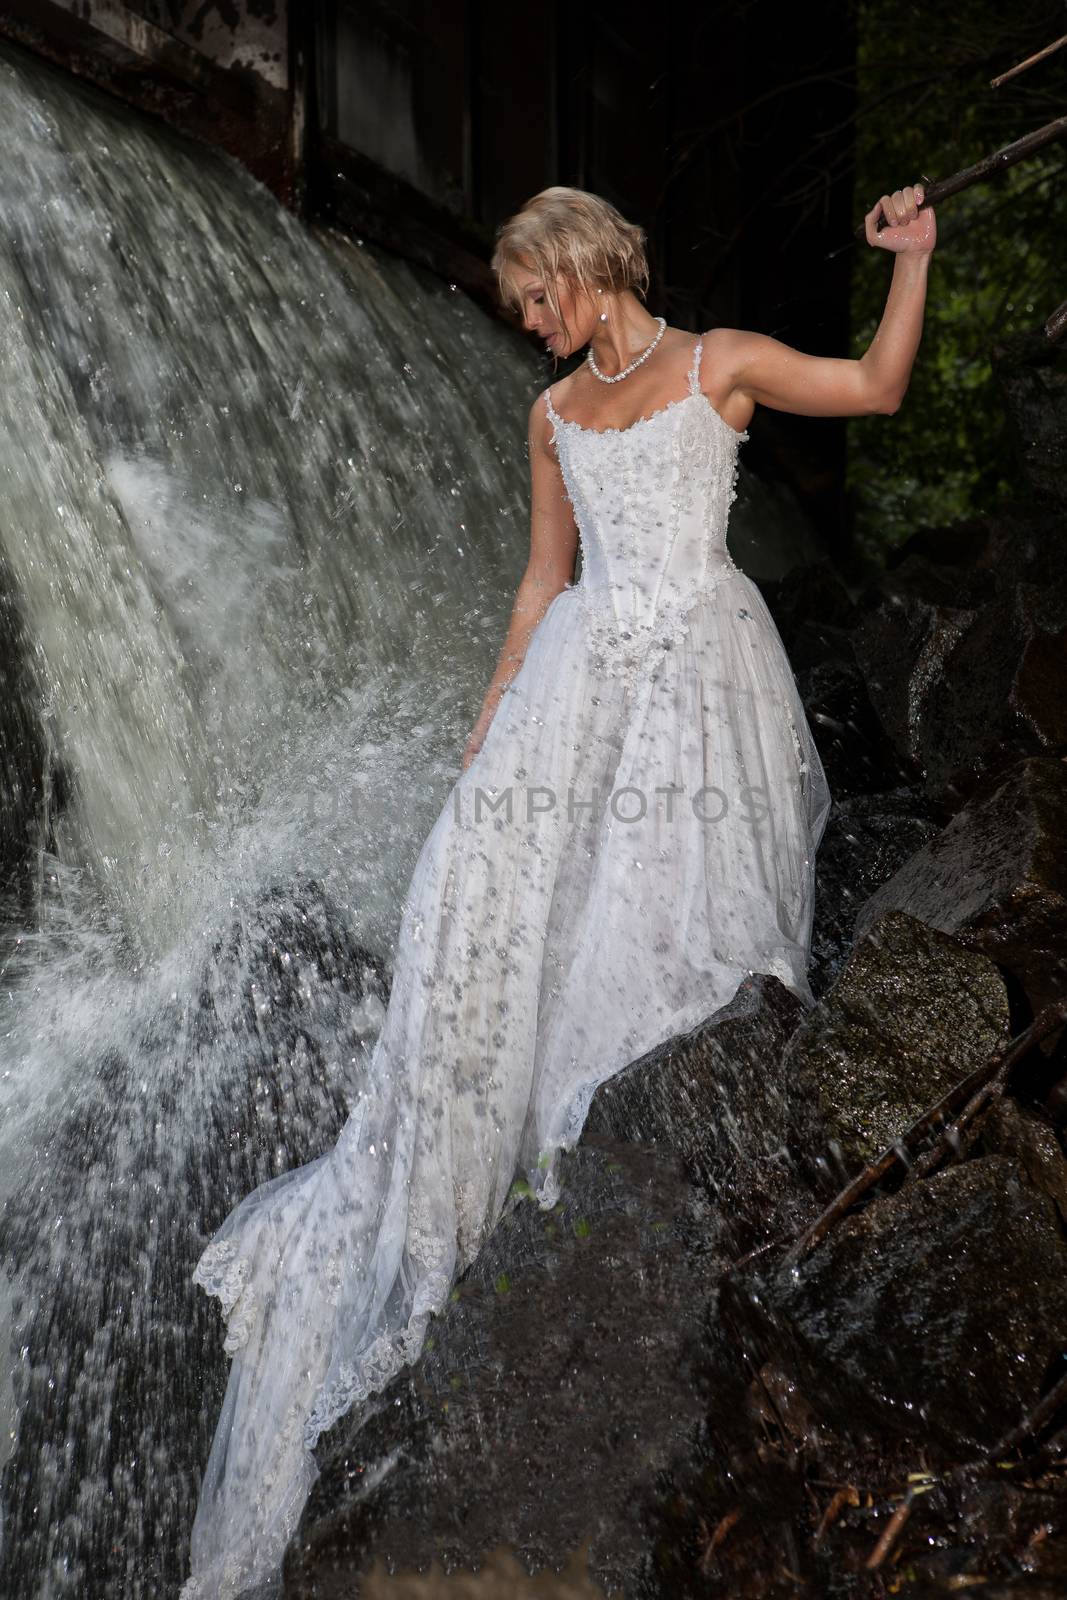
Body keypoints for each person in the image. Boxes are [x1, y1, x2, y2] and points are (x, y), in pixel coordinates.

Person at [180, 181, 935, 1597]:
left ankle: (684, 1179)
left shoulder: (722, 363)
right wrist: (489, 732)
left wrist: (914, 261)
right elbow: (541, 583)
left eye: (536, 295)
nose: (527, 323)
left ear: (592, 263)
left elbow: (882, 387)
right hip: (580, 690)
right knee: (524, 925)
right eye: (520, 306)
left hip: (704, 682)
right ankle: (553, 1207)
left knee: (687, 925)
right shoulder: (549, 420)